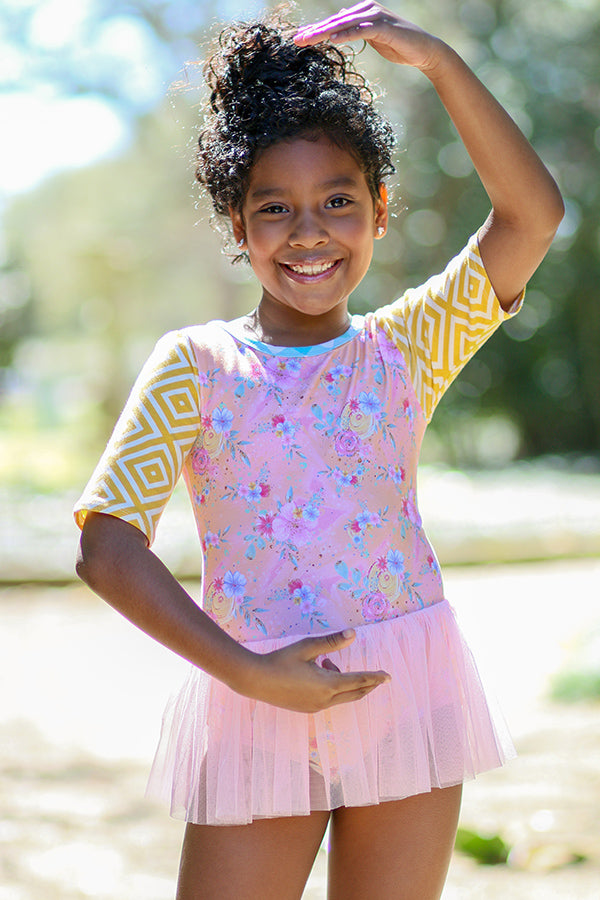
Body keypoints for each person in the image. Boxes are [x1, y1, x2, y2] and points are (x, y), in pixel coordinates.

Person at [74, 4, 563, 898]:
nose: (308, 232)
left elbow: (532, 216)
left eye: (338, 201)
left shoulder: (408, 345)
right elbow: (107, 546)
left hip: (403, 690)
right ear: (237, 224)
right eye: (275, 209)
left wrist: (440, 63)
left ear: (380, 210)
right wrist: (249, 675)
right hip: (254, 695)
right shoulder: (196, 365)